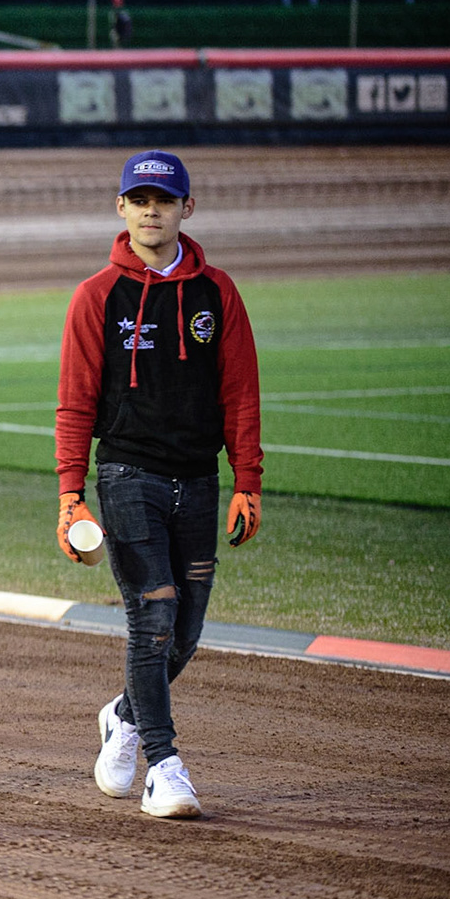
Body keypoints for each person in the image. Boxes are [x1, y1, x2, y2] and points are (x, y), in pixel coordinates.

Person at [56, 150, 263, 820]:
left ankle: (123, 715)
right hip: (126, 474)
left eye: (164, 200)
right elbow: (75, 401)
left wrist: (247, 480)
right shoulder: (98, 296)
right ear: (120, 208)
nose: (152, 211)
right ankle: (164, 768)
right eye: (139, 200)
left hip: (198, 480)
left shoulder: (217, 294)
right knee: (154, 614)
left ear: (186, 209)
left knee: (186, 634)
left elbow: (240, 393)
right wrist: (70, 494)